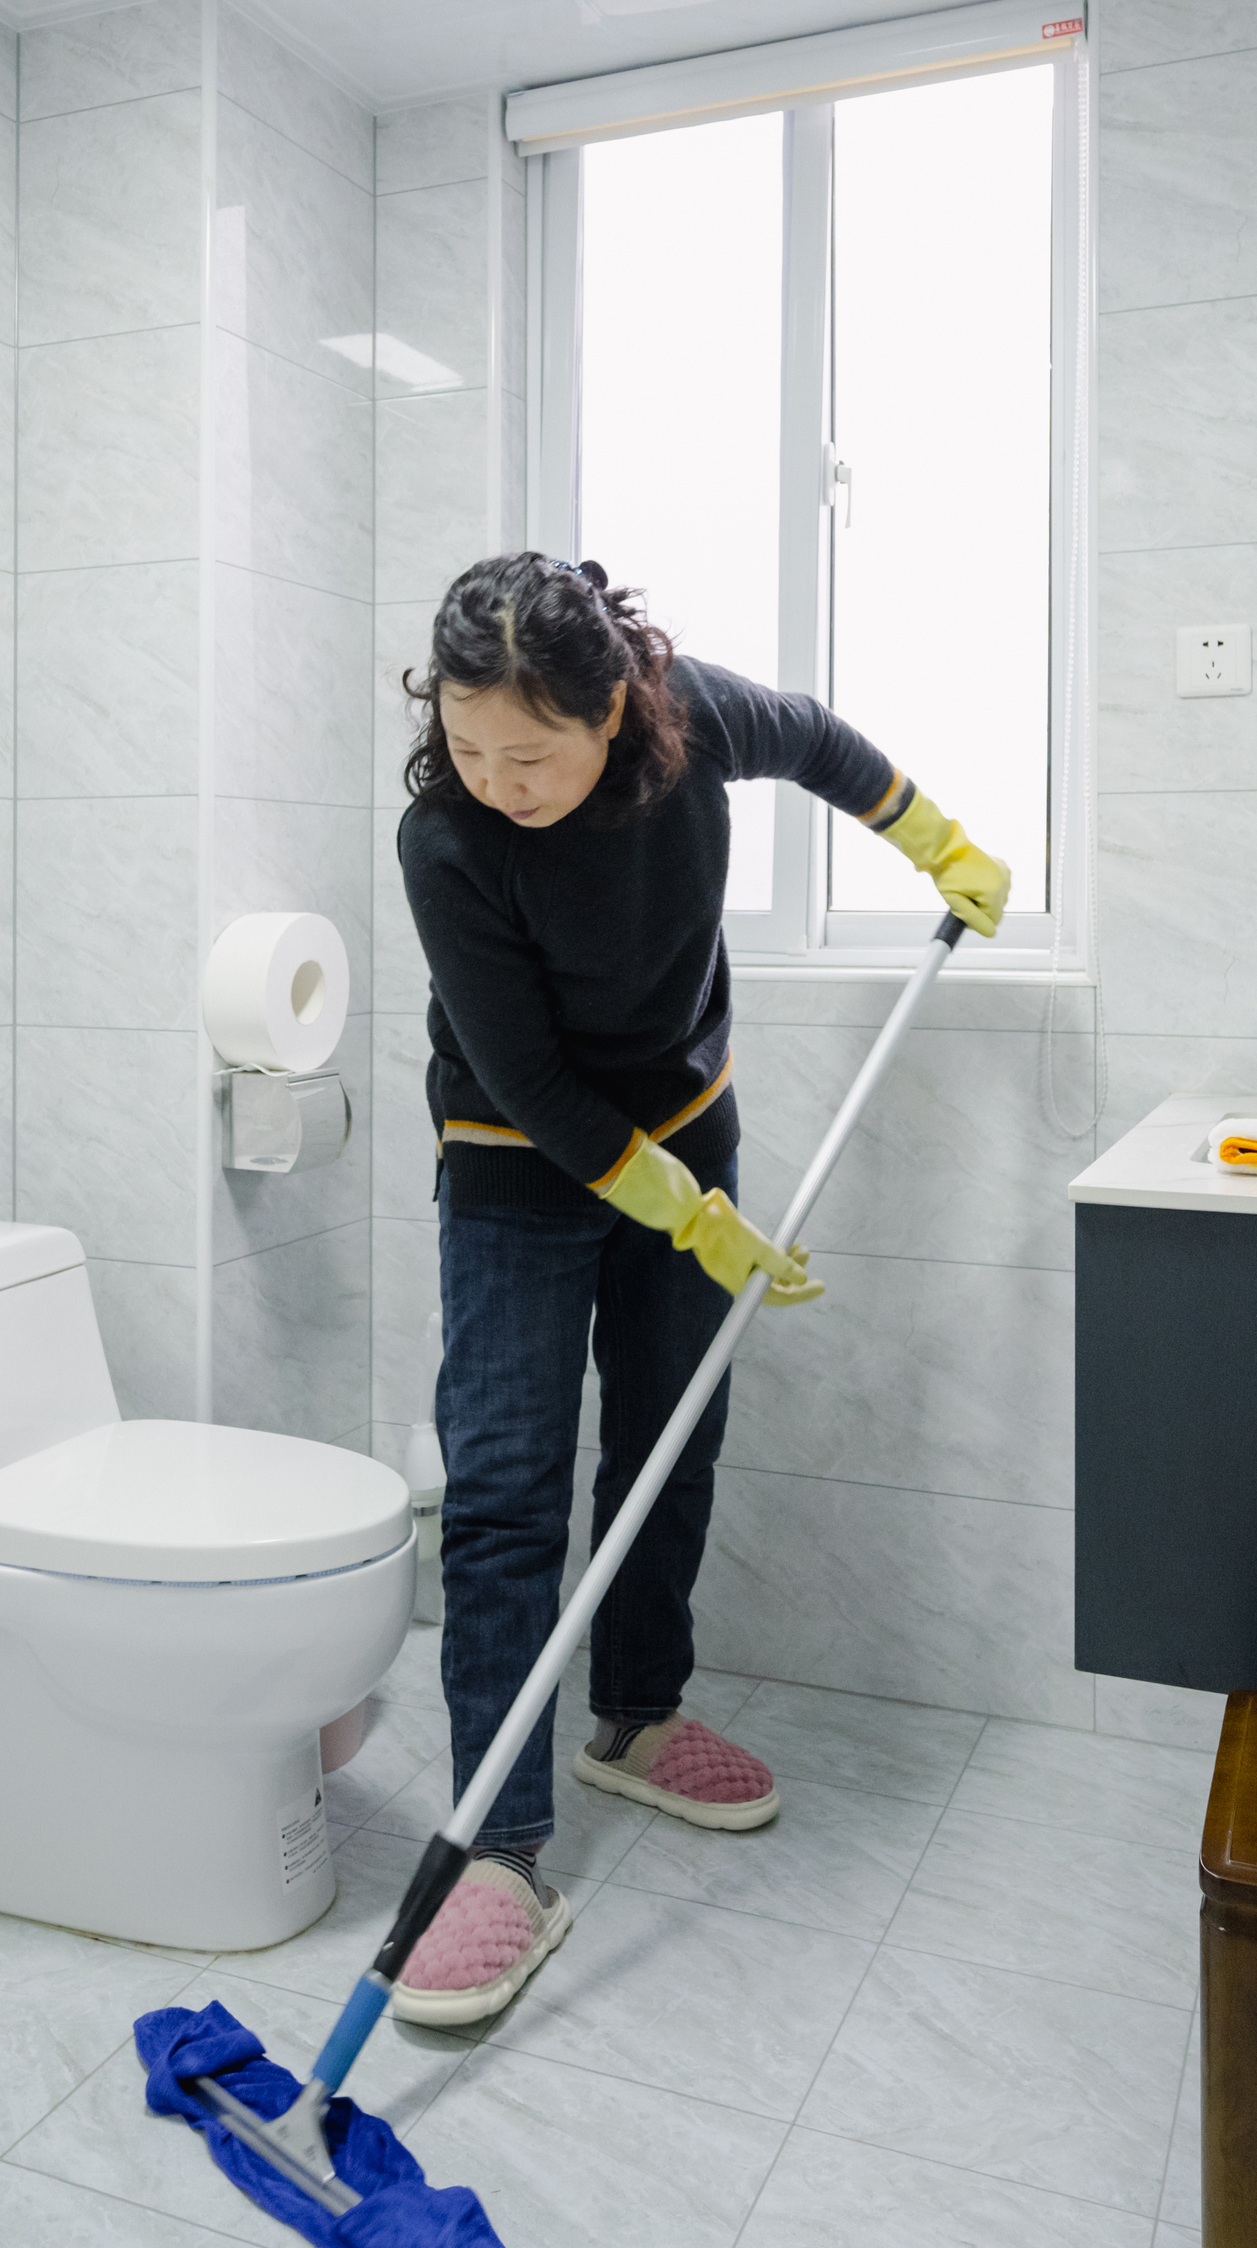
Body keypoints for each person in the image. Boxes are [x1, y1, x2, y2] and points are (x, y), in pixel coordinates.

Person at [381, 552, 1008, 2025]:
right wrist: (684, 1211)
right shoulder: (445, 844)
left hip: (684, 1120)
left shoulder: (694, 721)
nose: (496, 780)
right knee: (509, 1488)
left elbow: (820, 740)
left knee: (673, 1441)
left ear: (616, 715)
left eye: (528, 756)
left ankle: (637, 1715)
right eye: (468, 748)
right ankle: (503, 1847)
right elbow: (529, 1077)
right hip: (517, 1159)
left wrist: (934, 838)